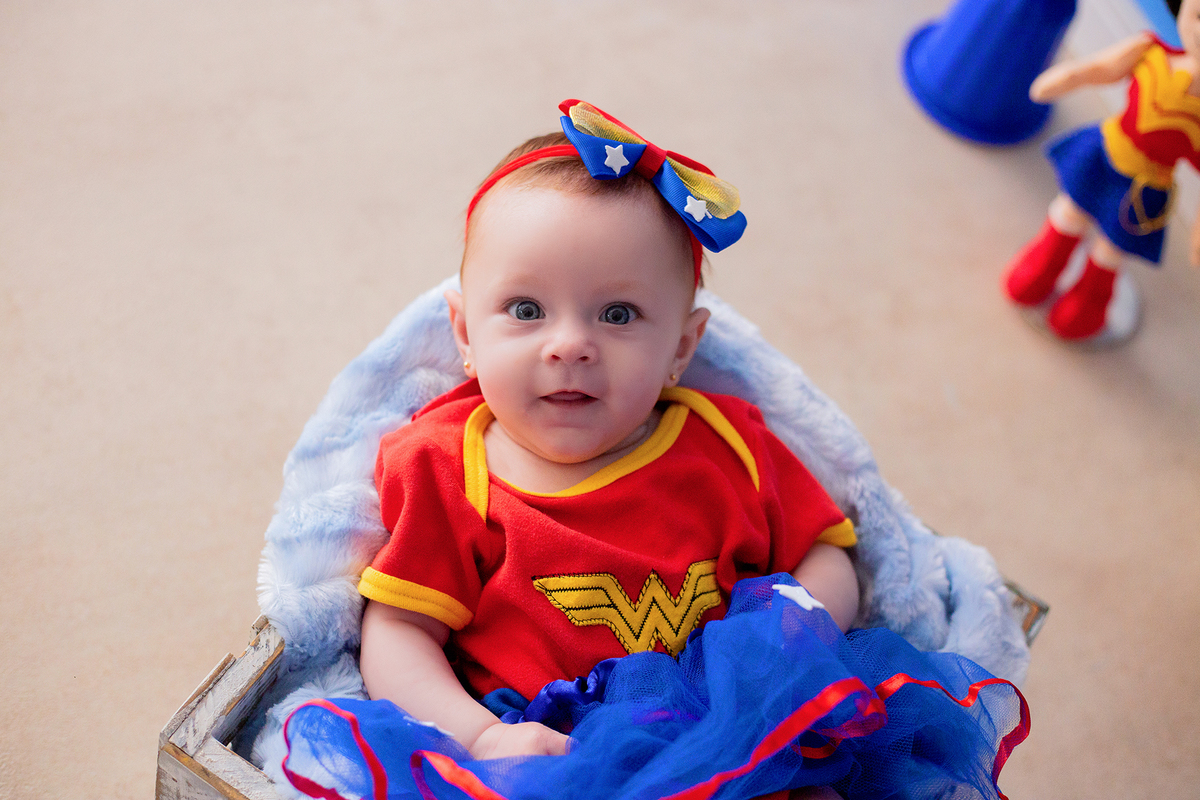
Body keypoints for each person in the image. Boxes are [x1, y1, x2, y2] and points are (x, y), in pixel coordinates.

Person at [281, 100, 1028, 800]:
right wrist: (479, 733)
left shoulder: (727, 441)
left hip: (743, 739)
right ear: (465, 334)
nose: (570, 344)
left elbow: (827, 549)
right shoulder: (447, 465)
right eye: (526, 309)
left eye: (618, 313)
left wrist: (791, 635)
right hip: (559, 760)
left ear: (682, 346)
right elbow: (398, 631)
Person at [1002, 0, 1200, 343]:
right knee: (1068, 214)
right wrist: (1064, 79)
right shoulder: (1149, 50)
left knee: (1110, 250)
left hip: (1143, 190)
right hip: (1105, 153)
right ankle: (1040, 269)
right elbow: (1097, 69)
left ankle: (1088, 304)